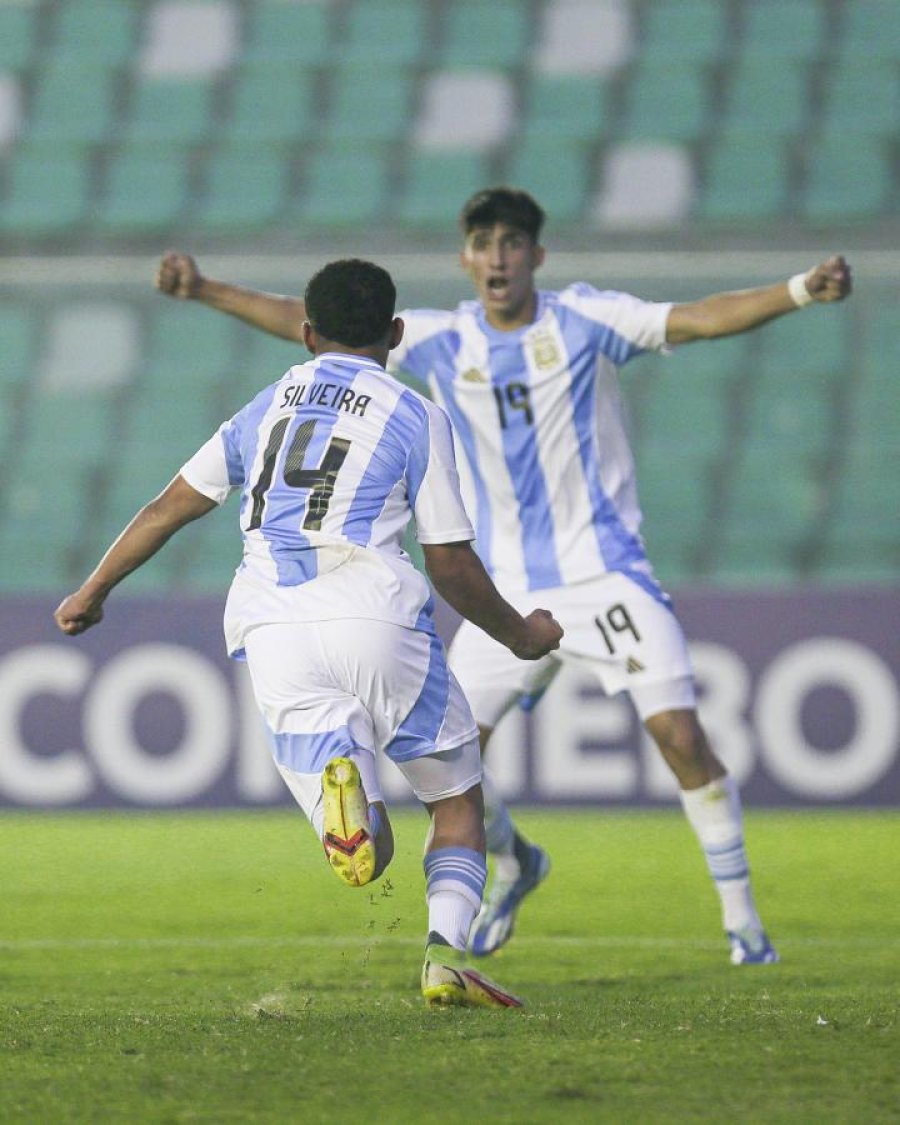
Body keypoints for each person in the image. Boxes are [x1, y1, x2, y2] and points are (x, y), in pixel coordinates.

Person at [155, 188, 853, 967]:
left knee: (682, 736)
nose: (497, 255)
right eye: (483, 241)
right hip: (505, 591)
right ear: (465, 258)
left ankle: (744, 926)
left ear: (536, 256)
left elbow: (695, 317)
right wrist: (206, 289)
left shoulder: (588, 321)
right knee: (453, 766)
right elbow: (313, 326)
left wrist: (798, 290)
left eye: (512, 242)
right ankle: (516, 862)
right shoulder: (441, 341)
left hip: (603, 574)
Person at [55, 257, 563, 1009]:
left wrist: (94, 589)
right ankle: (444, 956)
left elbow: (170, 505)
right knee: (456, 803)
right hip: (377, 616)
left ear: (305, 333)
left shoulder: (268, 407)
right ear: (395, 332)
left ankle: (345, 796)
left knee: (370, 850)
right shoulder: (415, 412)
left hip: (273, 628)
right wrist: (520, 634)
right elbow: (451, 563)